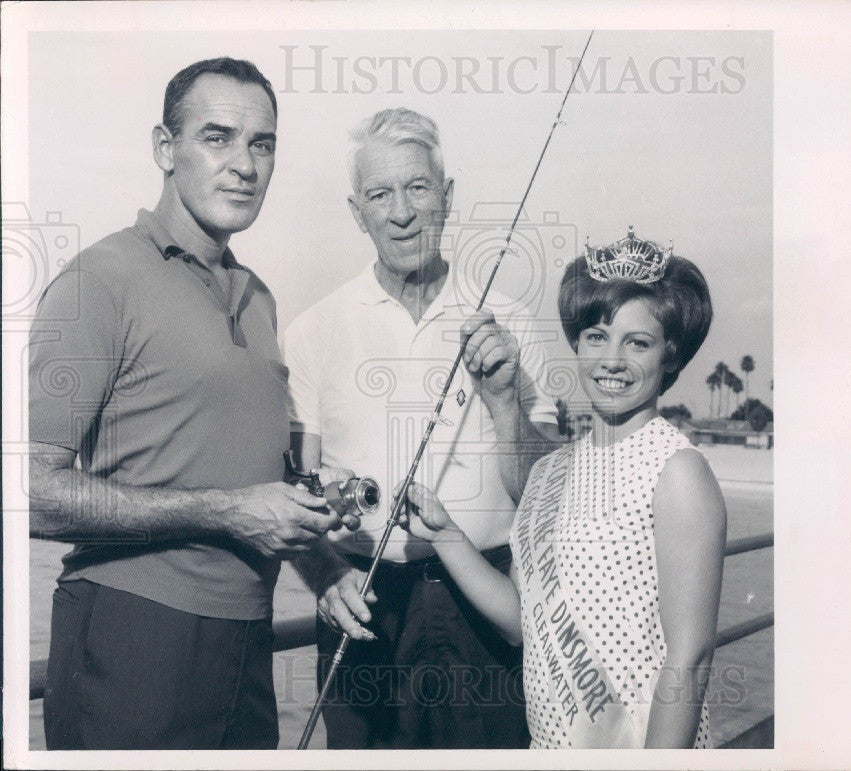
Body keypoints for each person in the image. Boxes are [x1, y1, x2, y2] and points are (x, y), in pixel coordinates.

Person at [28, 57, 344, 750]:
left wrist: (325, 569)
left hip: (248, 642)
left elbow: (261, 481)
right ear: (164, 149)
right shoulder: (99, 280)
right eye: (218, 137)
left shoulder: (258, 296)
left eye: (262, 144)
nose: (244, 165)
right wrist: (225, 512)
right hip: (132, 635)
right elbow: (29, 492)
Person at [283, 107, 561, 748]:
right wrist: (326, 576)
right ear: (358, 212)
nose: (401, 211)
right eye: (380, 194)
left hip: (486, 606)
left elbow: (546, 495)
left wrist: (503, 401)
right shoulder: (312, 329)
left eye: (418, 187)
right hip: (365, 605)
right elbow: (292, 491)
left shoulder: (511, 321)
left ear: (448, 196)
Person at [396, 230, 726, 748]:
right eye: (597, 336)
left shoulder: (676, 470)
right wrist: (444, 534)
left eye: (637, 342)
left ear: (671, 356)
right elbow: (524, 624)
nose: (611, 359)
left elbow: (690, 659)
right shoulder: (552, 471)